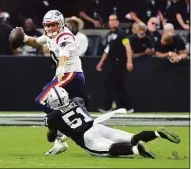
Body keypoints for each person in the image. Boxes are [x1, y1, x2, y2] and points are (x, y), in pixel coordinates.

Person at [12, 10, 85, 154]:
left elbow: (64, 54)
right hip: (67, 74)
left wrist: (60, 70)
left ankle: (63, 128)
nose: (50, 28)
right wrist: (24, 38)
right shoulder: (51, 35)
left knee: (42, 99)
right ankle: (60, 140)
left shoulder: (64, 35)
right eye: (48, 25)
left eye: (53, 25)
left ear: (61, 24)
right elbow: (36, 42)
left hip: (71, 74)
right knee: (55, 103)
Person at [44, 86, 181, 157]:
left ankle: (137, 150)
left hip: (87, 137)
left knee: (110, 150)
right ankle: (157, 133)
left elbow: (51, 138)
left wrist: (54, 132)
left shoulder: (52, 117)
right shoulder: (77, 100)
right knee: (132, 138)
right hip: (98, 126)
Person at [96, 14, 133, 113]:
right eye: (110, 20)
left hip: (120, 63)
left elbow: (128, 47)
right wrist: (101, 62)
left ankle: (107, 106)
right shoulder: (109, 35)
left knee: (110, 84)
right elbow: (107, 50)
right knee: (119, 86)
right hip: (111, 63)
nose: (112, 22)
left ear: (118, 22)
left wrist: (129, 61)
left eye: (114, 20)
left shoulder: (122, 34)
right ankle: (127, 107)